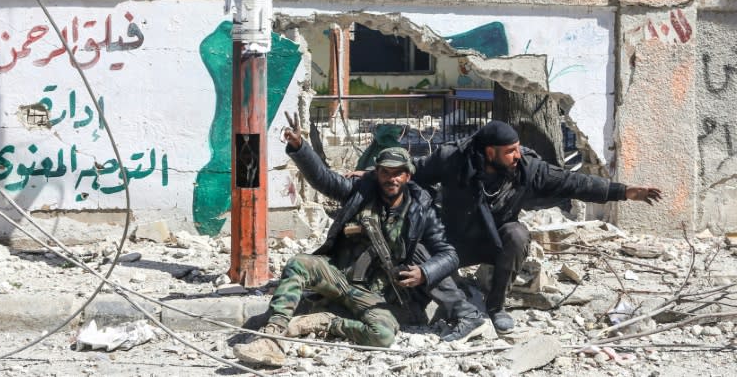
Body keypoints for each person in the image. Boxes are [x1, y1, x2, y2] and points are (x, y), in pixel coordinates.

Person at [233, 113, 459, 367]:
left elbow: (449, 254)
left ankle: (326, 321)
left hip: (379, 295)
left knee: (383, 335)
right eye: (386, 172)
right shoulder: (361, 192)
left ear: (408, 176)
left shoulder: (422, 210)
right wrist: (300, 148)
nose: (391, 179)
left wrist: (425, 272)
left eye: (398, 173)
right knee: (299, 263)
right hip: (339, 276)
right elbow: (324, 179)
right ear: (378, 172)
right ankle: (272, 336)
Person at [412, 120, 662, 335]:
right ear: (490, 152)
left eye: (518, 148)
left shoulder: (526, 168)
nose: (517, 155)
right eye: (510, 151)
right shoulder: (452, 158)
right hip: (451, 241)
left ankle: (496, 306)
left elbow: (571, 182)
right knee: (415, 245)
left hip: (493, 241)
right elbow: (413, 176)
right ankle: (461, 310)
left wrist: (623, 192)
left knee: (517, 234)